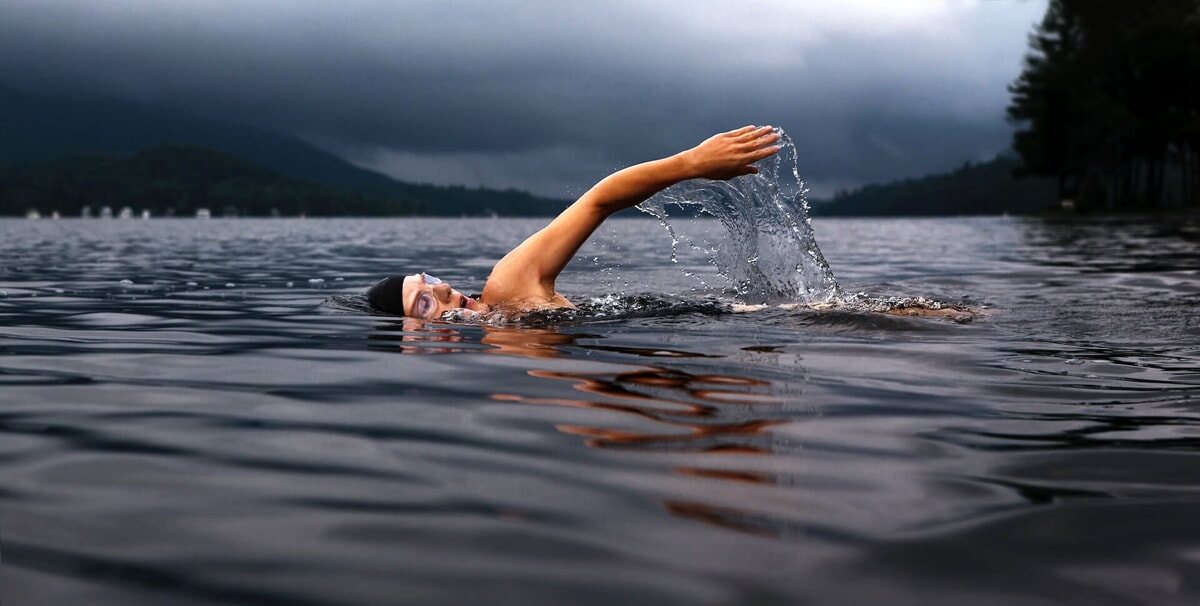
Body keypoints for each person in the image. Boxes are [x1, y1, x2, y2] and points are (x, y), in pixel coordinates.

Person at [367, 125, 781, 319]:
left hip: (756, 318)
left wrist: (691, 163)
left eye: (429, 280)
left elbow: (597, 201)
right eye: (424, 302)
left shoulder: (508, 288)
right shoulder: (504, 362)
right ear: (413, 340)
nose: (442, 288)